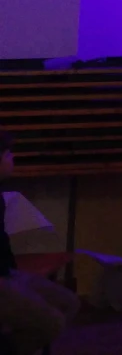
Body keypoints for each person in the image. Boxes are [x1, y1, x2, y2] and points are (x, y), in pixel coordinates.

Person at [0, 128, 81, 355]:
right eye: (7, 154)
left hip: (7, 272)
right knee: (50, 323)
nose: (12, 158)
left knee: (68, 303)